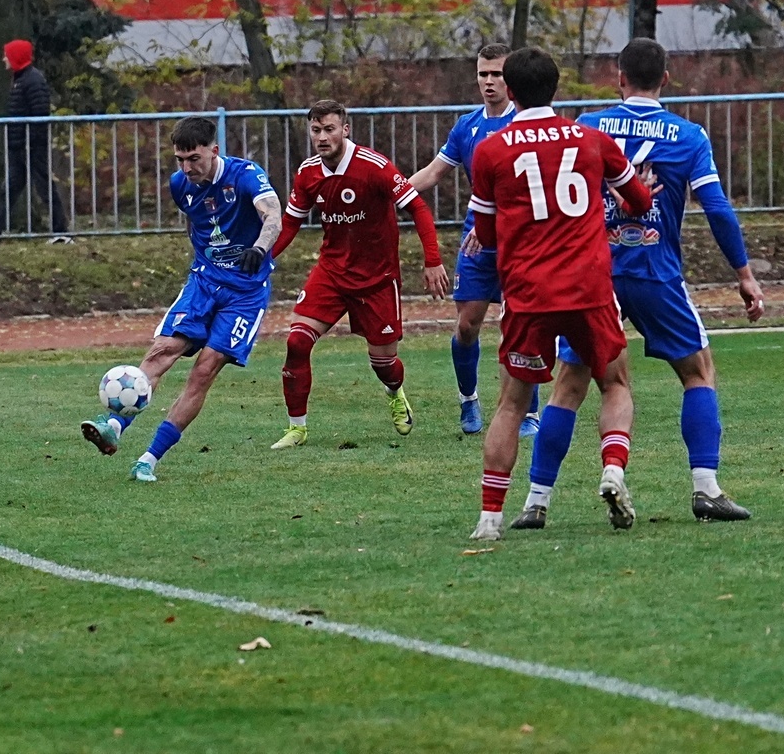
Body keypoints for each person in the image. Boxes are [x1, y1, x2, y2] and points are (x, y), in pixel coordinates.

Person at [514, 38, 764, 528]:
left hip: (593, 276)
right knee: (697, 373)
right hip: (656, 271)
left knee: (570, 385)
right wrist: (744, 274)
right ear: (665, 79)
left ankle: (536, 501)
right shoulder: (688, 136)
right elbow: (716, 208)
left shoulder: (588, 126)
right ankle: (706, 489)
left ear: (619, 78)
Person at [465, 46, 654, 542]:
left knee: (512, 403)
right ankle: (612, 467)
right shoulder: (592, 139)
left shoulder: (491, 150)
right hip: (589, 287)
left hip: (528, 294)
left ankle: (489, 519)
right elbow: (639, 201)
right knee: (615, 383)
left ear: (510, 90)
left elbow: (485, 234)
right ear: (557, 87)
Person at [79, 115, 282, 481]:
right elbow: (196, 222)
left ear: (214, 151)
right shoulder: (180, 185)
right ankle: (113, 426)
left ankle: (149, 459)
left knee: (203, 370)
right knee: (162, 351)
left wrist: (259, 247)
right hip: (203, 283)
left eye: (194, 159)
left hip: (245, 294)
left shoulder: (246, 174)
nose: (187, 168)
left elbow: (273, 215)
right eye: (180, 160)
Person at [267, 99, 450, 448]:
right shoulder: (308, 173)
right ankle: (296, 428)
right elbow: (290, 223)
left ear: (345, 130)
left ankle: (394, 392)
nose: (322, 137)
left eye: (329, 129)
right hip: (331, 273)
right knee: (297, 341)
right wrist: (263, 258)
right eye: (316, 130)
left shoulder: (373, 166)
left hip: (377, 279)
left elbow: (418, 207)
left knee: (384, 364)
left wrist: (432, 260)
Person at [409, 44, 541, 437]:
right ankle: (469, 400)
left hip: (521, 241)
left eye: (496, 74)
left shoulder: (527, 123)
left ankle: (529, 412)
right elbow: (434, 172)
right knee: (467, 326)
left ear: (510, 78)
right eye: (483, 74)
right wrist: (390, 192)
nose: (489, 81)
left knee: (518, 326)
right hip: (477, 242)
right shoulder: (467, 126)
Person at [0, 38, 71, 243]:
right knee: (11, 188)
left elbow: (39, 113)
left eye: (7, 55)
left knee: (43, 187)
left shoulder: (32, 80)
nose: (3, 59)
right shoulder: (22, 79)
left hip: (30, 145)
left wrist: (30, 141)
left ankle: (60, 230)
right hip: (22, 144)